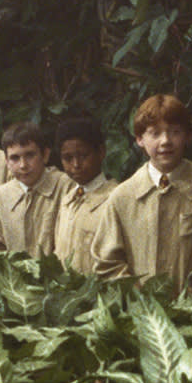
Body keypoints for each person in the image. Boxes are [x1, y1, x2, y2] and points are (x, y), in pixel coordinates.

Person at [91, 94, 192, 284]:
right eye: (155, 133)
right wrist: (141, 300)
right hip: (139, 311)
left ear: (188, 136)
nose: (165, 141)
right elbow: (107, 263)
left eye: (175, 132)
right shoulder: (122, 198)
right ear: (140, 139)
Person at [0, 121, 73, 257]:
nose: (23, 165)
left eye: (30, 155)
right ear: (7, 162)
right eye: (15, 158)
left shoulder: (66, 186)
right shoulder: (0, 196)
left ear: (45, 155)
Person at [52, 116, 116, 274]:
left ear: (101, 152)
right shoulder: (67, 200)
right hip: (67, 294)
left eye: (83, 156)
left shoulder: (115, 198)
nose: (76, 165)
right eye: (68, 158)